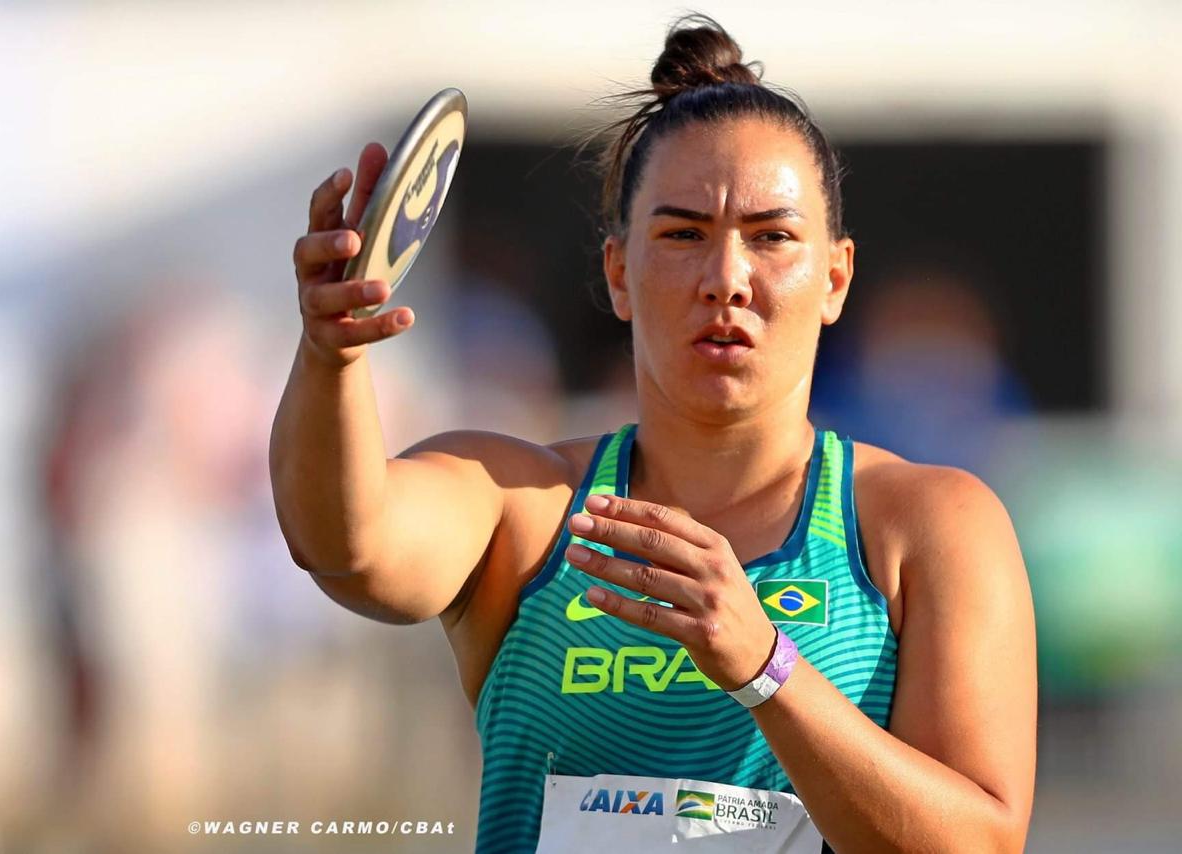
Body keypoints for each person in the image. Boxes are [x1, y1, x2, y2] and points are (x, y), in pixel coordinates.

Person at [271, 15, 1036, 853]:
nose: (726, 280)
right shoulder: (524, 510)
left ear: (835, 277)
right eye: (681, 235)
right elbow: (345, 545)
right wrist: (328, 355)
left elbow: (979, 845)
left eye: (772, 237)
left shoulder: (926, 528)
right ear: (618, 273)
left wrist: (763, 666)